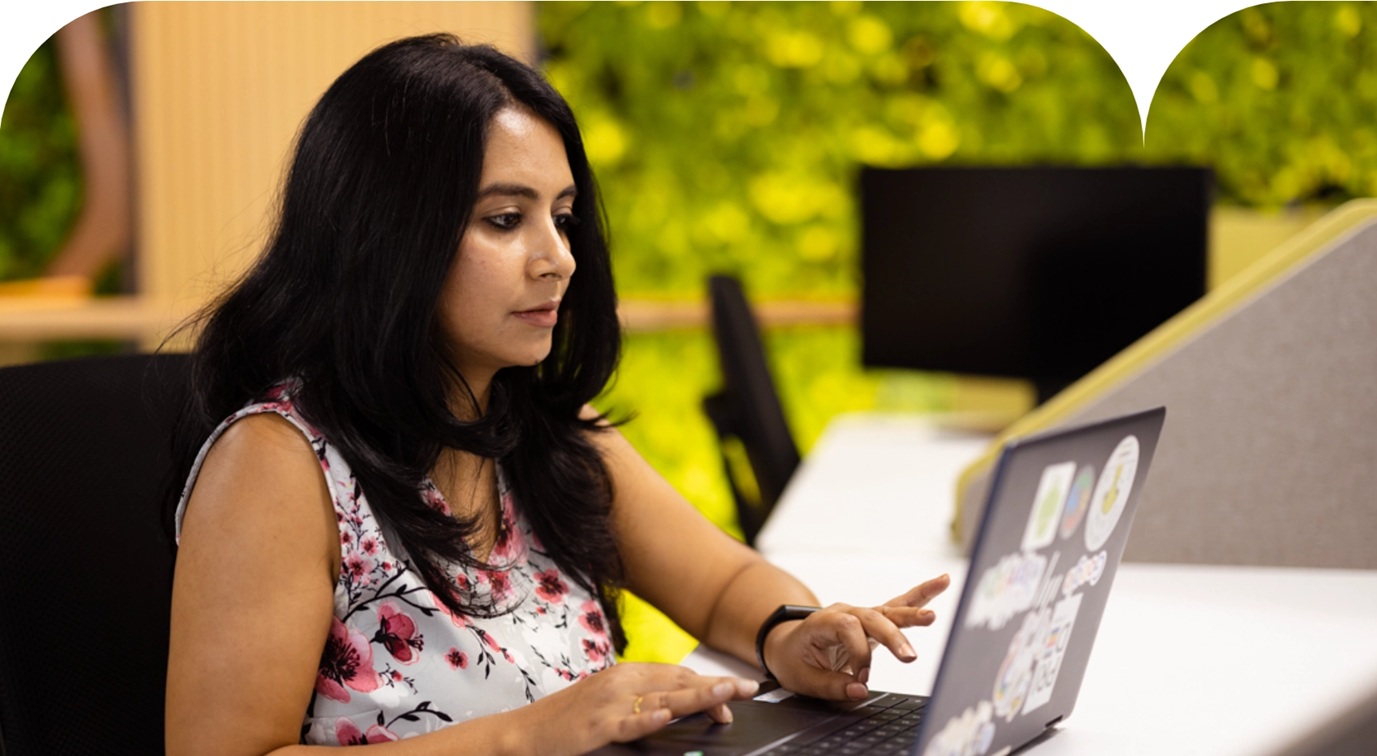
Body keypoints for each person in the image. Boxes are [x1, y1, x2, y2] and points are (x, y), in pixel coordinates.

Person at [164, 33, 950, 754]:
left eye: (563, 217)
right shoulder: (275, 465)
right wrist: (527, 736)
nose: (559, 258)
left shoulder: (540, 429)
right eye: (506, 219)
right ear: (386, 234)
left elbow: (724, 586)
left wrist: (788, 632)